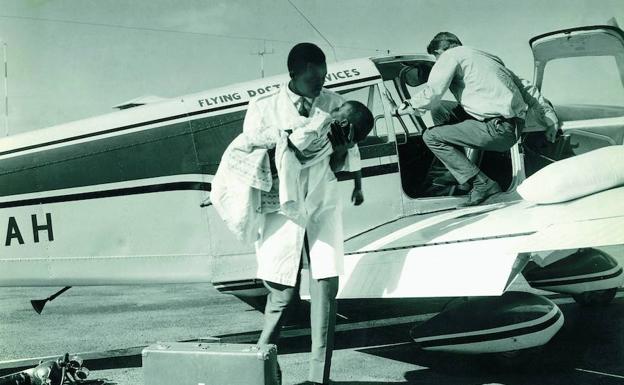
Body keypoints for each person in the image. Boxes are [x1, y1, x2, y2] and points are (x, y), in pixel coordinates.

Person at [243, 42, 371, 385]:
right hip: (281, 205)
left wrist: (342, 150)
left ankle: (319, 378)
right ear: (293, 75)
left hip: (322, 199)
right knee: (282, 293)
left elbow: (342, 160)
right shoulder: (263, 106)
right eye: (313, 80)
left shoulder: (336, 105)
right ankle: (263, 369)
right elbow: (251, 154)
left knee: (326, 286)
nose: (320, 86)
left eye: (323, 78)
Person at [396, 32, 559, 206]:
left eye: (436, 58)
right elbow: (526, 87)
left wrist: (406, 106)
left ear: (440, 51)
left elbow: (433, 93)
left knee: (431, 136)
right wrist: (549, 116)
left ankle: (481, 184)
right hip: (511, 124)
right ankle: (455, 168)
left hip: (498, 129)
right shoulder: (486, 57)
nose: (437, 63)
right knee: (440, 108)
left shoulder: (450, 55)